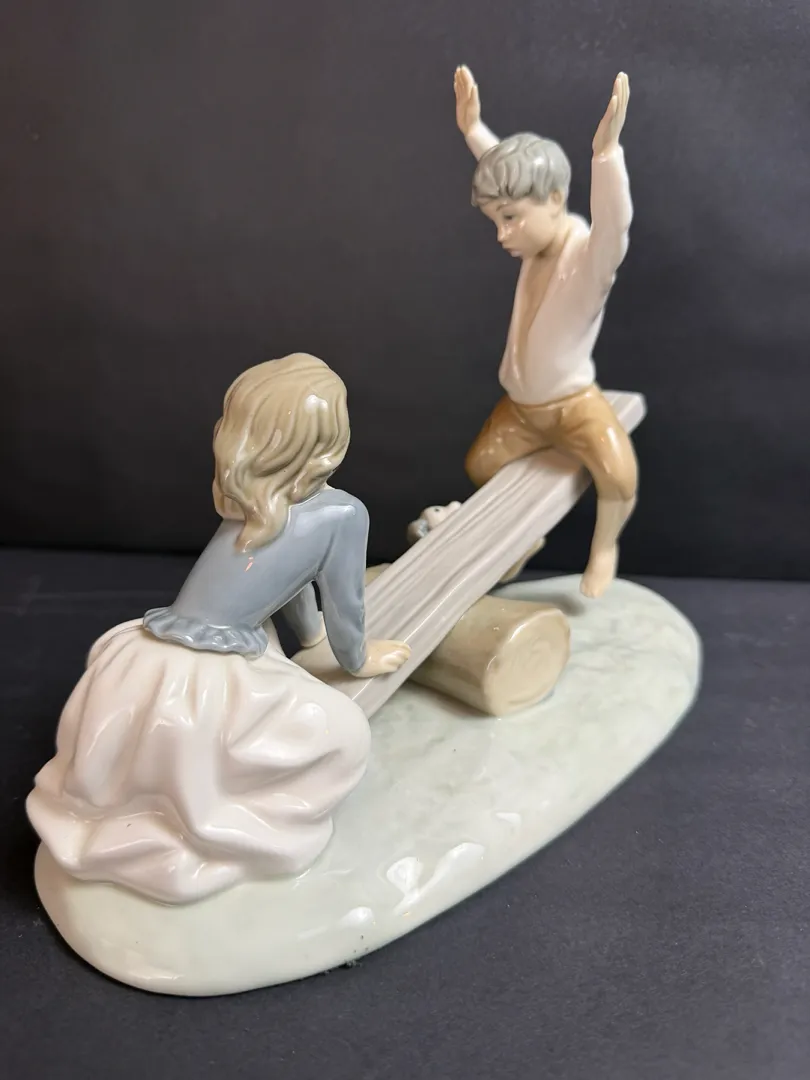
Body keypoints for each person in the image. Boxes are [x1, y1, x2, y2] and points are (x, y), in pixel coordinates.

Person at [27, 353, 410, 905]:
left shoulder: (248, 501)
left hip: (147, 653)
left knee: (161, 749)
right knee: (344, 734)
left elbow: (292, 585)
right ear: (332, 439)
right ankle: (225, 824)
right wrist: (356, 659)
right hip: (210, 674)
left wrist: (309, 640)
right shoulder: (343, 513)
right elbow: (344, 606)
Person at [453, 66, 638, 598]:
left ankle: (604, 548)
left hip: (573, 405)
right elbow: (514, 178)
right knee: (481, 464)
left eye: (510, 219)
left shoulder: (588, 260)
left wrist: (606, 156)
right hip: (521, 408)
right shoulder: (534, 246)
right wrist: (473, 130)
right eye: (495, 221)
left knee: (618, 474)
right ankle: (523, 537)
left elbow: (614, 226)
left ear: (555, 200)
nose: (502, 234)